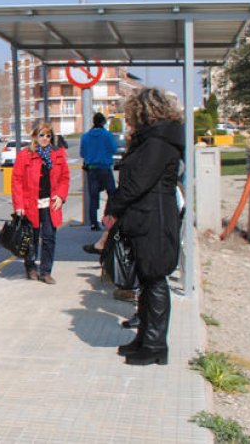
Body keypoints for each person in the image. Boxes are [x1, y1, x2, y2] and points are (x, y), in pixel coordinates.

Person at [101, 88, 185, 366]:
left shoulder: (159, 140)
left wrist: (114, 207)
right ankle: (145, 338)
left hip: (154, 217)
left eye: (130, 112)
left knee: (155, 279)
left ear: (143, 111)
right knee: (148, 281)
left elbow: (138, 181)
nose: (127, 118)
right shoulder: (152, 138)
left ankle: (155, 345)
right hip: (146, 215)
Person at [11, 122, 70, 284]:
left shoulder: (57, 154)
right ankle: (30, 266)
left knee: (49, 237)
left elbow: (65, 178)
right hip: (31, 204)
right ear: (35, 136)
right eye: (42, 135)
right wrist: (19, 205)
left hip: (50, 204)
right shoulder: (25, 155)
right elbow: (16, 180)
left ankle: (46, 271)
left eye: (48, 135)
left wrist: (60, 196)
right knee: (31, 238)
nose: (45, 139)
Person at [80, 112, 118, 230]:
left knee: (93, 196)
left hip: (91, 170)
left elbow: (82, 153)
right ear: (103, 122)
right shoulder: (107, 135)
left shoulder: (85, 136)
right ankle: (107, 218)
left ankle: (93, 223)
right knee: (112, 194)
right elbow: (113, 149)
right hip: (105, 168)